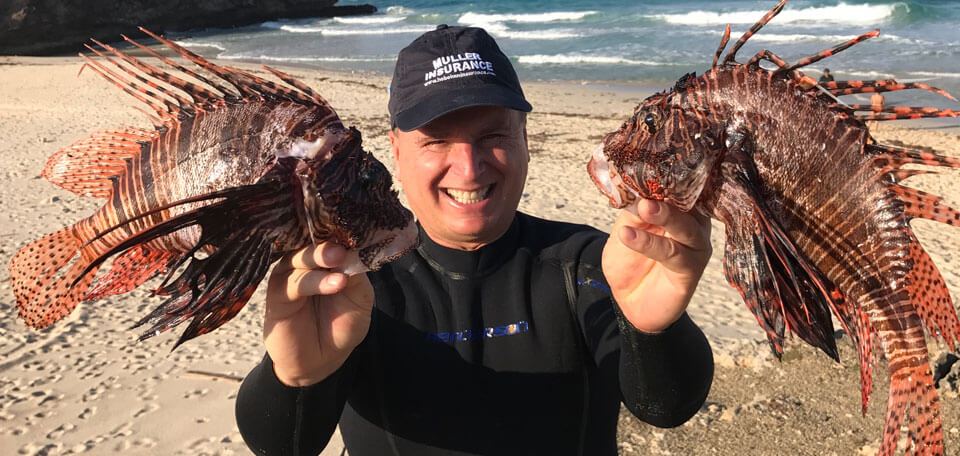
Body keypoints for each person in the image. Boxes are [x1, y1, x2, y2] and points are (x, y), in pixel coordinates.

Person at [235, 25, 714, 455]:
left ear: (524, 139)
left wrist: (654, 332)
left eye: (492, 137)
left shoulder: (592, 263)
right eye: (436, 140)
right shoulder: (353, 284)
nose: (468, 167)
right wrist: (295, 378)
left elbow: (666, 408)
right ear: (397, 151)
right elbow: (283, 444)